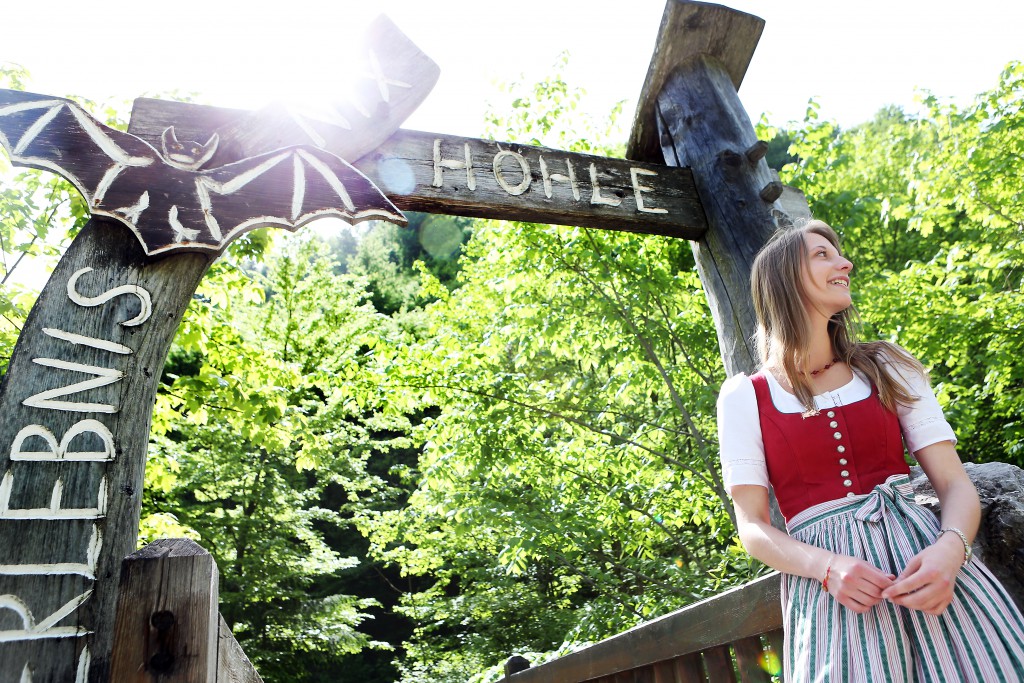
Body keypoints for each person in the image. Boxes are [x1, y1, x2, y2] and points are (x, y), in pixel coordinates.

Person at [717, 219, 1024, 682]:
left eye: (839, 254)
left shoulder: (886, 365)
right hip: (835, 595)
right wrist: (827, 567)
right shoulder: (744, 397)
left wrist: (950, 552)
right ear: (783, 278)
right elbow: (753, 528)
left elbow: (954, 483)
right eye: (822, 255)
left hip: (928, 568)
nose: (845, 263)